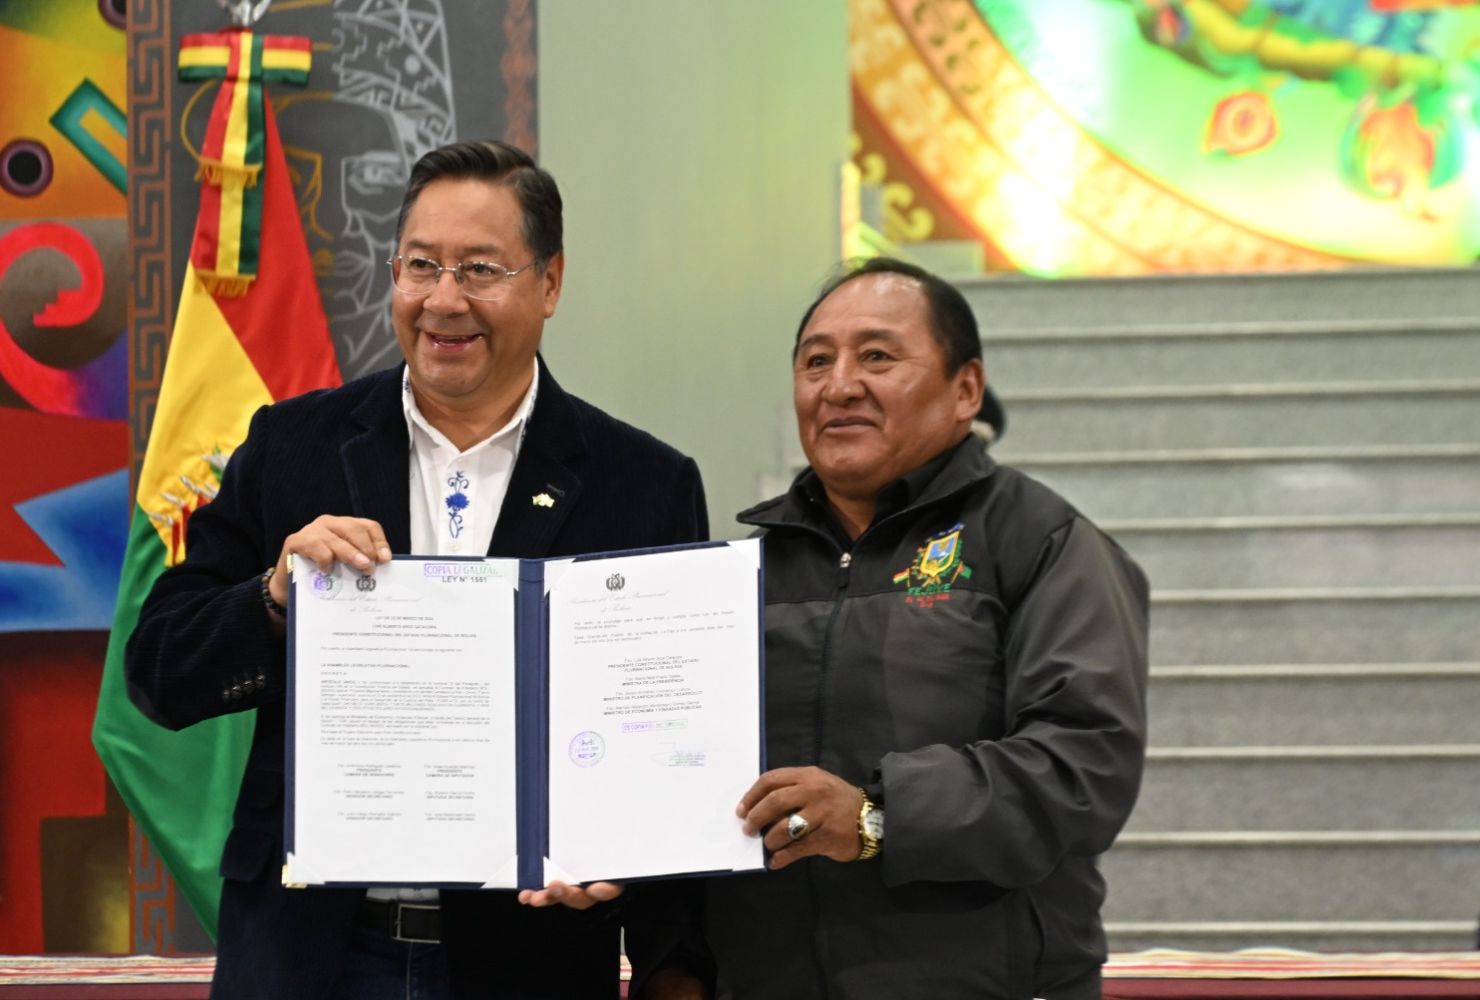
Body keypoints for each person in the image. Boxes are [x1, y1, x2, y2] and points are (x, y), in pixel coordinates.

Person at [125, 140, 709, 1000]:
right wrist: (275, 599)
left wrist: (670, 959)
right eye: (420, 265)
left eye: (480, 269)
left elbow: (674, 741)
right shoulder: (292, 448)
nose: (444, 301)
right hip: (312, 954)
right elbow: (158, 673)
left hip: (529, 957)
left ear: (549, 283)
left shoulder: (644, 483)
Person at [704, 257, 1150, 999]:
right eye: (817, 361)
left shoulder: (1040, 541)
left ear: (965, 390)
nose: (839, 384)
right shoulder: (738, 574)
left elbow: (1084, 765)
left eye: (877, 356)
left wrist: (881, 815)